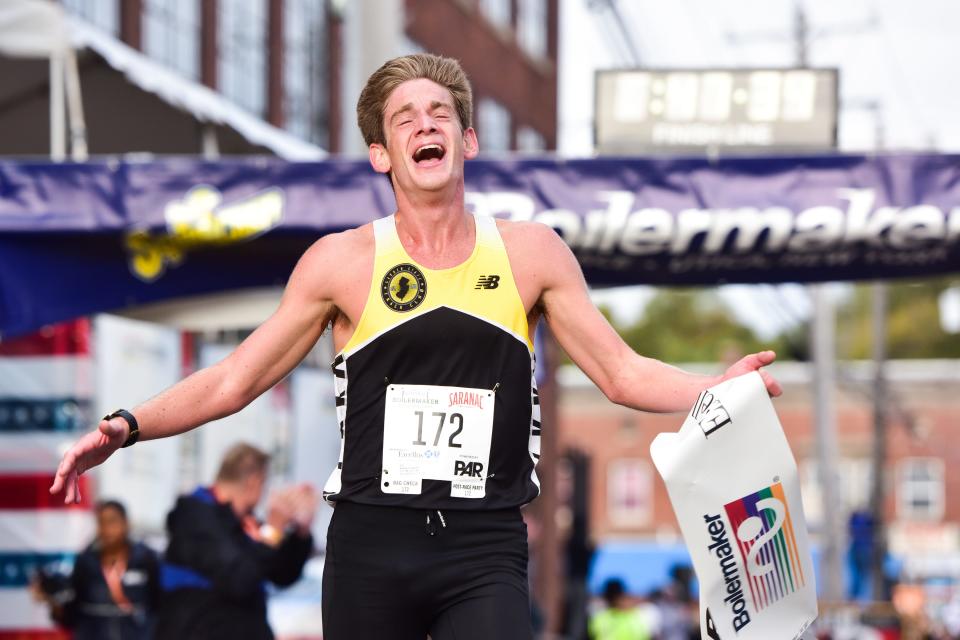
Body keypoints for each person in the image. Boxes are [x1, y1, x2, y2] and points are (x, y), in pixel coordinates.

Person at [50, 53, 782, 640]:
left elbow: (620, 372)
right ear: (382, 153)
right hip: (372, 542)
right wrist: (126, 426)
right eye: (405, 118)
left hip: (484, 545)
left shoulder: (531, 254)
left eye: (440, 114)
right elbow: (235, 379)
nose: (424, 125)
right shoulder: (341, 263)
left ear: (466, 141)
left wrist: (719, 389)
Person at [155, 442, 316, 640]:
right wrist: (273, 530)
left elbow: (282, 575)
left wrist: (301, 532)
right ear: (254, 481)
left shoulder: (246, 523)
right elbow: (238, 580)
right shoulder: (196, 517)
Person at [32, 500, 160, 640]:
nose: (107, 528)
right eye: (101, 522)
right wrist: (53, 601)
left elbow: (161, 605)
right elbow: (71, 614)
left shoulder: (146, 559)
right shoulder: (86, 561)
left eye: (112, 521)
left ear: (126, 523)